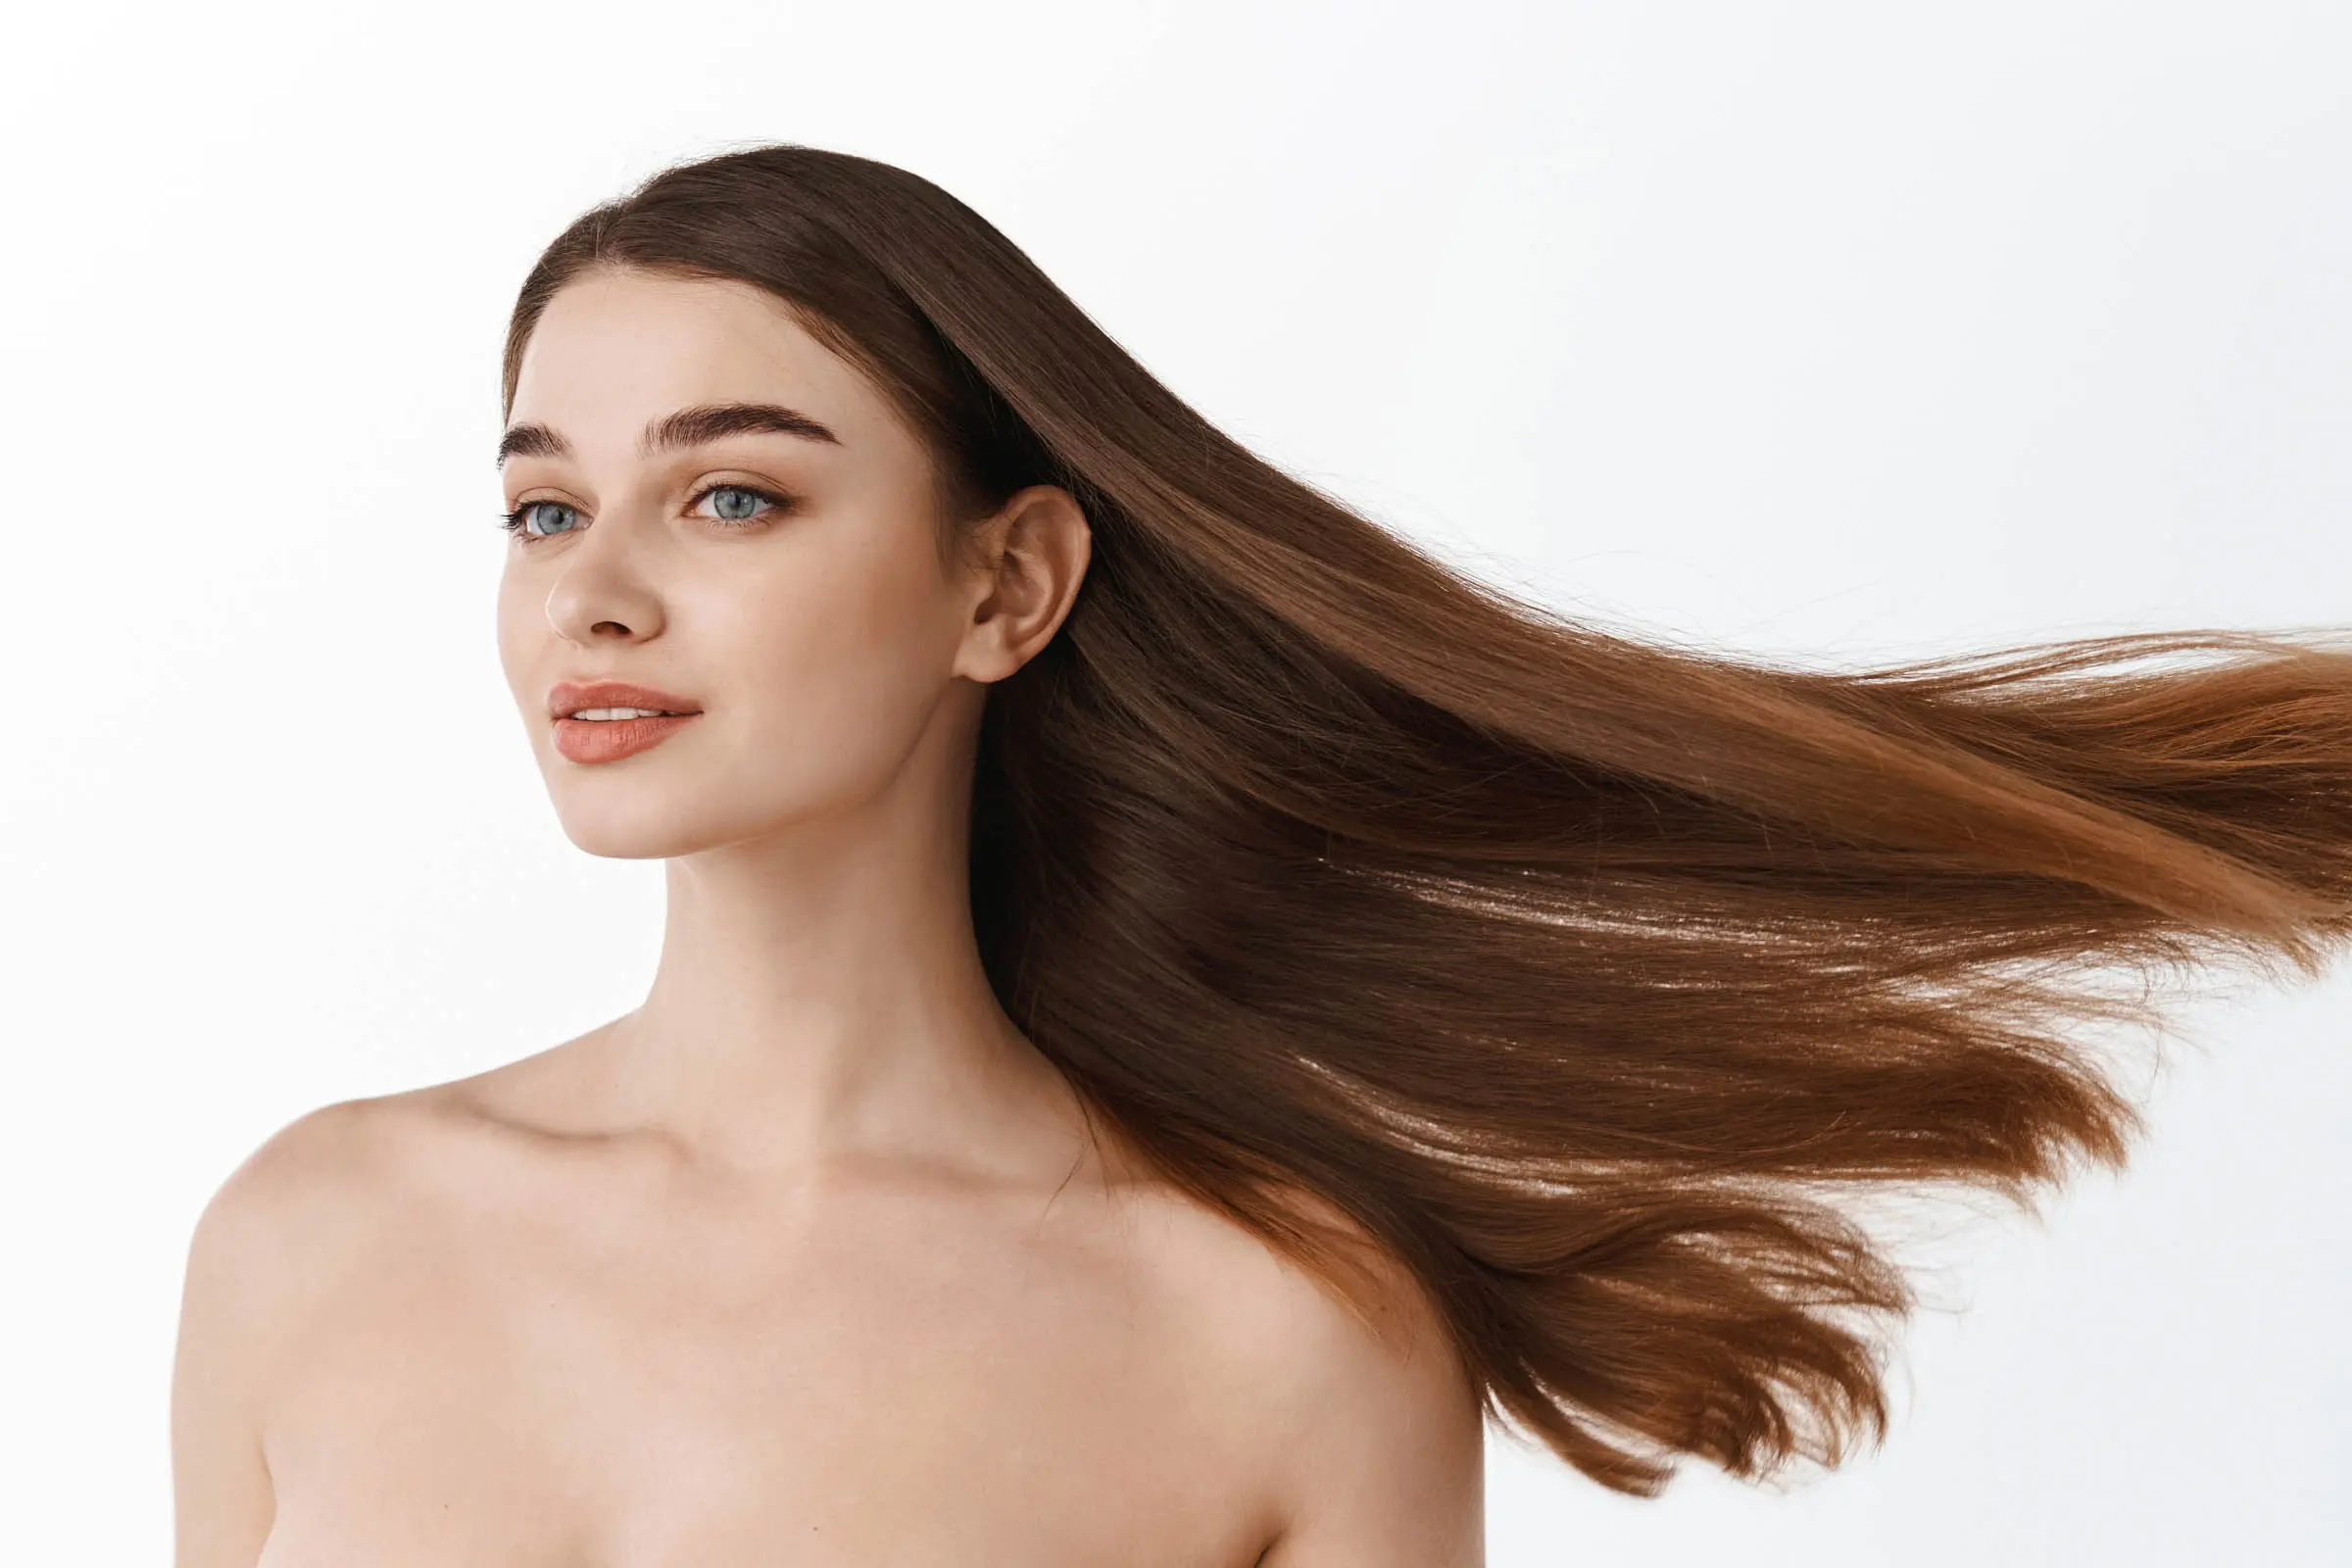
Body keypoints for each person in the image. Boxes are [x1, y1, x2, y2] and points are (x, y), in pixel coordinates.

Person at [169, 144, 2352, 1566]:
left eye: (730, 494)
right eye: (546, 506)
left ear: (1006, 586)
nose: (595, 594)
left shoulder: (1276, 1325)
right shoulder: (311, 1236)